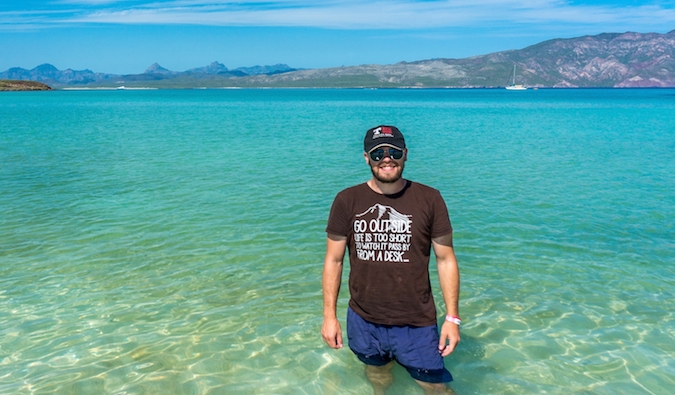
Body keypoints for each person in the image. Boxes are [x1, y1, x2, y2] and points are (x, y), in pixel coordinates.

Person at [321, 125, 461, 394]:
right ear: (366, 158)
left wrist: (452, 319)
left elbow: (446, 259)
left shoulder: (429, 199)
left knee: (434, 386)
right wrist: (329, 317)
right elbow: (334, 261)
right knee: (377, 373)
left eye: (394, 151)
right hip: (363, 320)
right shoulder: (346, 200)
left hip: (416, 323)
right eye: (378, 153)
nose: (387, 158)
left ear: (405, 154)